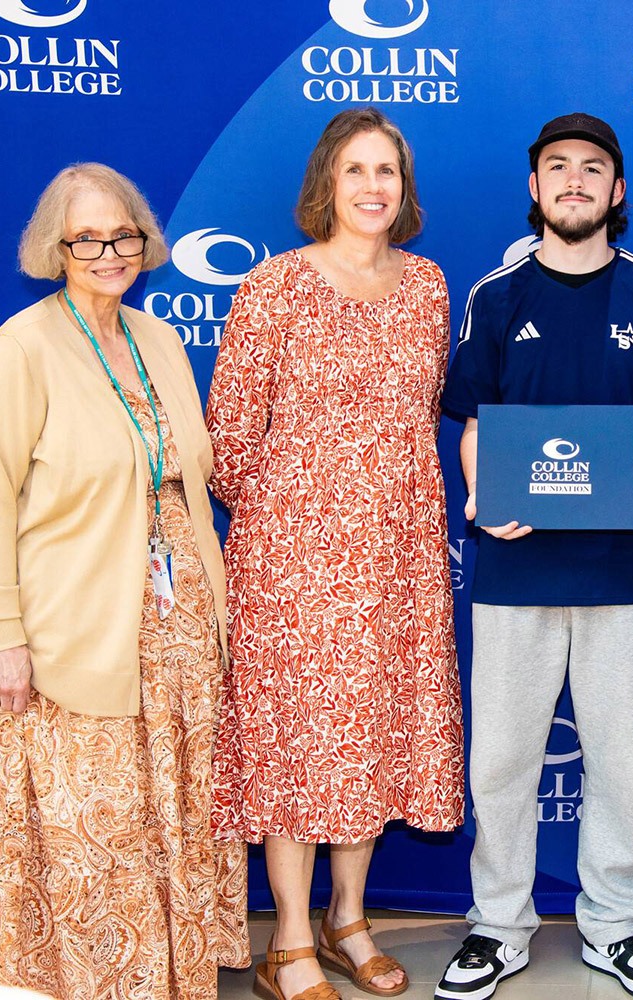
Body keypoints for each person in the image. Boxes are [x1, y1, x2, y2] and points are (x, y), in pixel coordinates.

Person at [0, 163, 248, 999]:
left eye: (125, 235)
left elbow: (185, 475)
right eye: (88, 239)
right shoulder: (22, 347)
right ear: (55, 249)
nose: (110, 252)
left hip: (173, 635)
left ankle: (166, 978)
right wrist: (1, 637)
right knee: (89, 832)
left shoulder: (159, 339)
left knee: (161, 818)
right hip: (69, 635)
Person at [207, 107, 463, 1000]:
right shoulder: (274, 286)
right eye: (355, 170)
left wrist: (376, 516)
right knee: (297, 746)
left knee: (373, 741)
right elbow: (229, 441)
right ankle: (288, 941)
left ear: (405, 187)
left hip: (399, 561)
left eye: (387, 171)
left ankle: (348, 918)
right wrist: (302, 519)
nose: (372, 187)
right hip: (292, 563)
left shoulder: (430, 286)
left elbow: (422, 417)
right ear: (327, 182)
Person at [433, 112, 633, 1000]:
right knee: (501, 757)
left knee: (622, 756)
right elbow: (470, 421)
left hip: (627, 570)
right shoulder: (496, 297)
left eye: (592, 169)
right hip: (514, 568)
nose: (573, 182)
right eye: (556, 168)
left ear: (616, 192)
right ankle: (496, 926)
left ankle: (615, 926)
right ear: (535, 187)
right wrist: (482, 494)